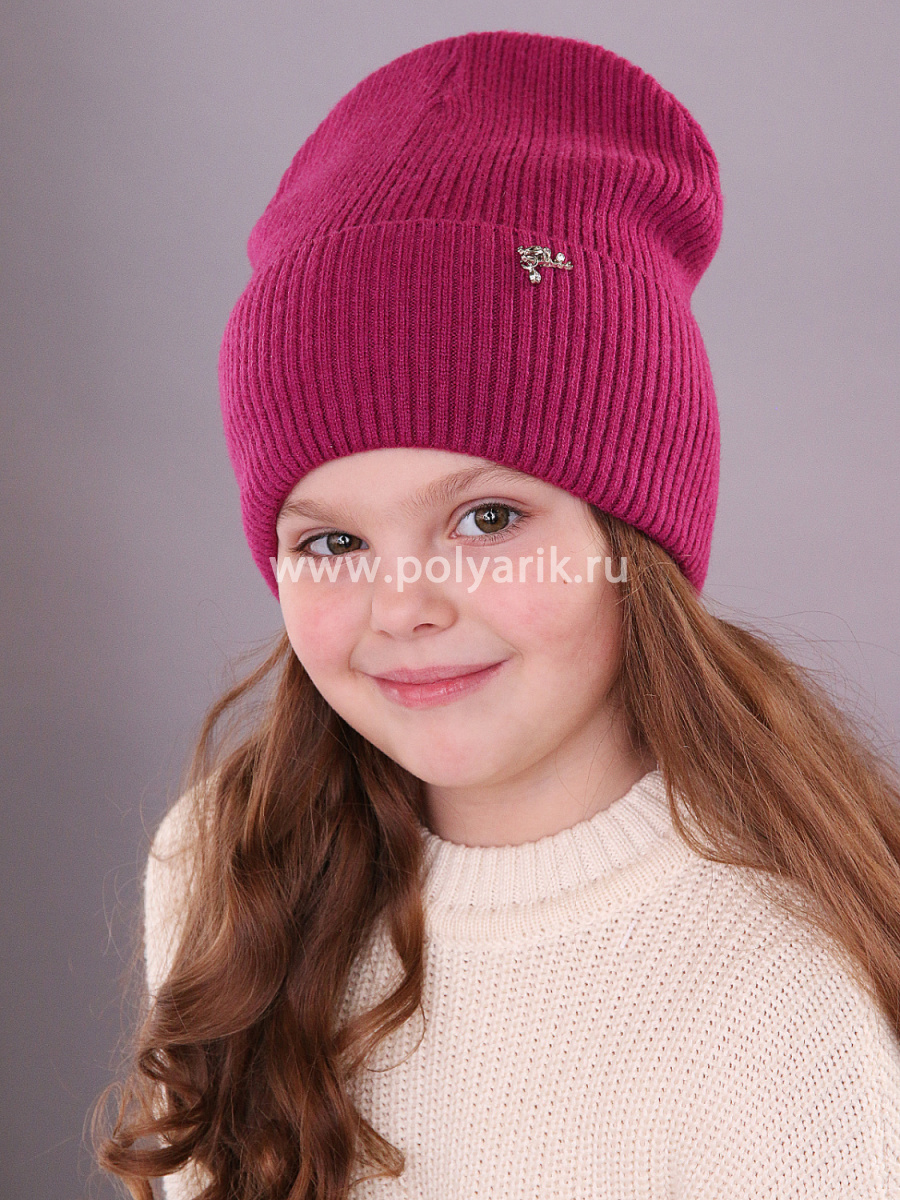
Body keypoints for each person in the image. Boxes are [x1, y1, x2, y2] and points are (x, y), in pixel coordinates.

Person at [94, 29, 900, 1200]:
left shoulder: (773, 998)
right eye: (332, 542)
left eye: (486, 519)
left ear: (632, 541)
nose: (404, 606)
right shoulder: (228, 868)